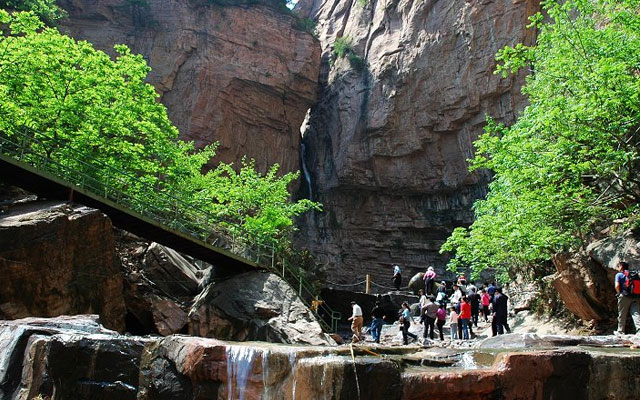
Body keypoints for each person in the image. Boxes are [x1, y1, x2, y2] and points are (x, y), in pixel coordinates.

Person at [615, 261, 640, 335]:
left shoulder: (619, 275)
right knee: (636, 313)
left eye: (619, 266)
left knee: (622, 313)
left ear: (621, 267)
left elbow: (617, 285)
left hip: (624, 296)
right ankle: (639, 331)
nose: (618, 268)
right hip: (635, 296)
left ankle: (620, 331)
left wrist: (619, 293)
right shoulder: (634, 275)